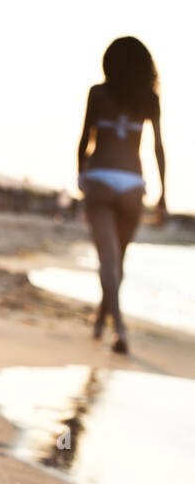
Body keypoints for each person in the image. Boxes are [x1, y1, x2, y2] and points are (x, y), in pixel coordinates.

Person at [77, 37, 166, 353]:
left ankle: (117, 327)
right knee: (118, 262)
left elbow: (85, 138)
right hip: (132, 183)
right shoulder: (149, 100)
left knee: (109, 261)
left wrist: (81, 174)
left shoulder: (98, 93)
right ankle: (105, 322)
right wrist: (164, 195)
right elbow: (157, 148)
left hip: (100, 178)